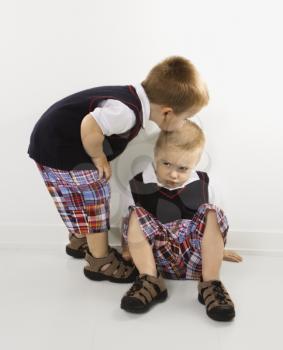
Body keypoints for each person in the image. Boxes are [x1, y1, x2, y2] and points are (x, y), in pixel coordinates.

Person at [27, 56, 209, 283]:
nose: (184, 123)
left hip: (47, 145)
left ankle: (80, 238)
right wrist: (98, 156)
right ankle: (100, 261)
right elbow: (90, 124)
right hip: (65, 149)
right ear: (167, 112)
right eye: (185, 118)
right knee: (95, 199)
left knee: (73, 197)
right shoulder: (127, 113)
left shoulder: (129, 97)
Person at [120, 120, 242, 321]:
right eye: (166, 164)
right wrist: (127, 249)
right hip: (156, 260)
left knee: (211, 211)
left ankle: (210, 283)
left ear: (196, 162)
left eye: (183, 168)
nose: (174, 174)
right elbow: (128, 224)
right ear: (156, 155)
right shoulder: (137, 183)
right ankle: (150, 280)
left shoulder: (206, 184)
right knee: (135, 212)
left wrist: (218, 251)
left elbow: (215, 227)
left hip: (195, 259)